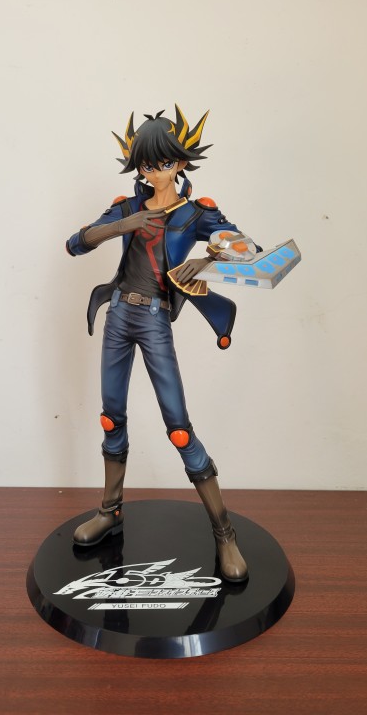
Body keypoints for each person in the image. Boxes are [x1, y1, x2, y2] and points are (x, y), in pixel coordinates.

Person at [66, 105, 261, 582]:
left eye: (162, 163)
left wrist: (209, 257)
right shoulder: (127, 207)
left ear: (180, 162)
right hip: (119, 315)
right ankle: (110, 511)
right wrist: (122, 225)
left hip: (154, 319)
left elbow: (247, 247)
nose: (153, 172)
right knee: (111, 416)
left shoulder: (195, 213)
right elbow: (75, 243)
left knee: (178, 427)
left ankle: (224, 533)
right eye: (145, 164)